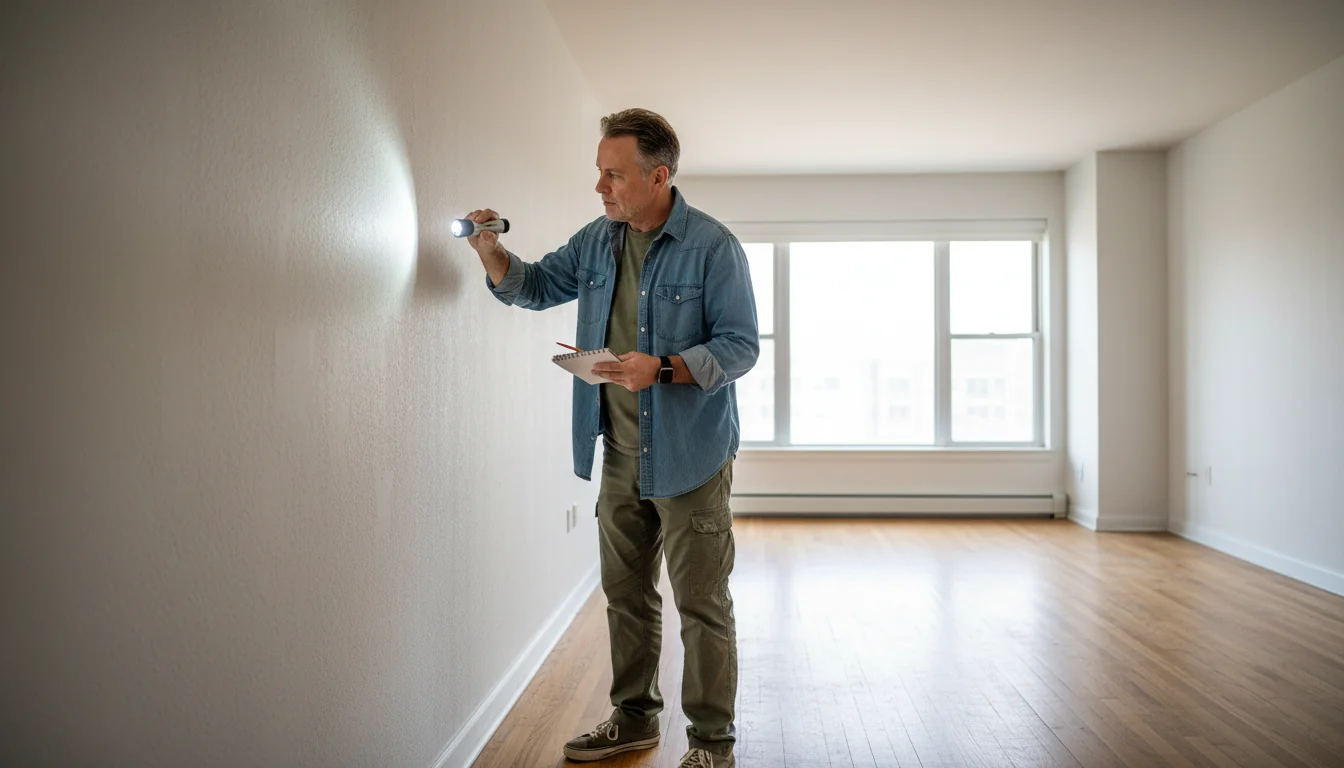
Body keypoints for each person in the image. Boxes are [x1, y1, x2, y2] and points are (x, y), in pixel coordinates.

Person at [466, 108, 758, 768]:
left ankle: (712, 745)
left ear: (658, 176)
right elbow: (537, 285)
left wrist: (663, 368)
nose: (600, 186)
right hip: (619, 454)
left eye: (614, 175)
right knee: (626, 598)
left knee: (702, 606)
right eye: (600, 172)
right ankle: (633, 720)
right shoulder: (597, 241)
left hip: (691, 458)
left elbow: (740, 346)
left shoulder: (713, 247)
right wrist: (492, 254)